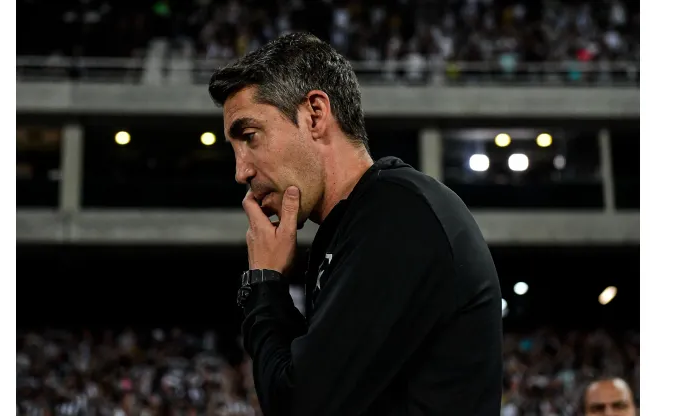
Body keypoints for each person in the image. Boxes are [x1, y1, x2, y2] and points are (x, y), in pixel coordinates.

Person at [208, 32, 503, 416]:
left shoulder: (398, 216)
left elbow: (298, 405)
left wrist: (264, 284)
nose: (240, 171)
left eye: (250, 137)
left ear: (315, 114)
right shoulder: (355, 226)